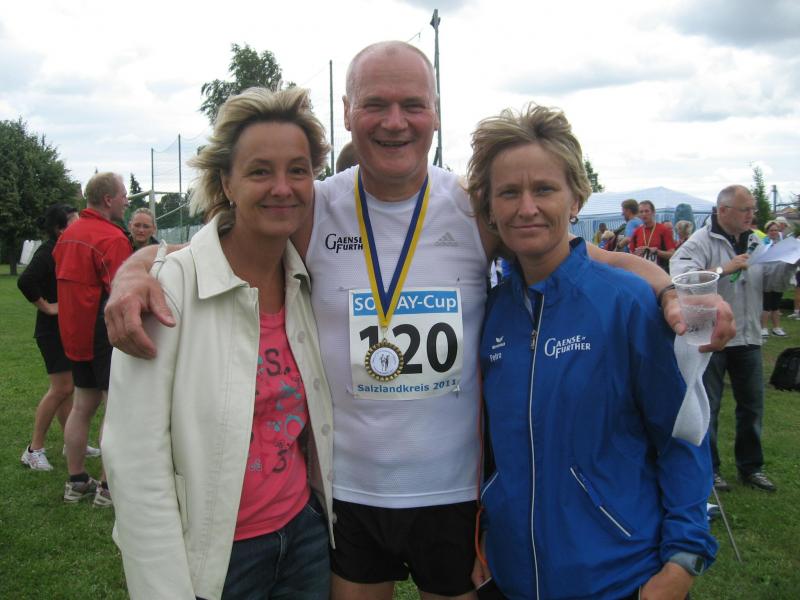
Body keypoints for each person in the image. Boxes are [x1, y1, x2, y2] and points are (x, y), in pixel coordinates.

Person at [104, 41, 734, 600]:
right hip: (349, 491)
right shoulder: (313, 205)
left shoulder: (473, 205)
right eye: (375, 104)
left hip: (454, 491)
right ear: (347, 112)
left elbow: (584, 256)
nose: (395, 121)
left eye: (413, 104)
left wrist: (665, 288)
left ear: (435, 112)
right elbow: (219, 244)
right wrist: (138, 266)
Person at [467, 103, 716, 600]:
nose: (526, 207)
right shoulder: (492, 312)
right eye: (509, 192)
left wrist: (683, 561)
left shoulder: (628, 303)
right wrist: (487, 538)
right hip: (512, 578)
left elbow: (682, 434)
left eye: (544, 189)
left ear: (576, 198)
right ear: (490, 209)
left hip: (620, 577)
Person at [103, 87, 334, 600]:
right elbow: (133, 461)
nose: (282, 187)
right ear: (227, 182)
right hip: (217, 558)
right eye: (260, 171)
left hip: (303, 537)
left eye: (298, 170)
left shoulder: (304, 280)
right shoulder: (170, 289)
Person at [671, 185, 777, 493]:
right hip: (713, 338)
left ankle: (751, 467)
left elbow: (771, 281)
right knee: (710, 406)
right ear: (723, 211)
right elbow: (681, 279)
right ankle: (711, 469)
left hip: (748, 336)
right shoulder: (699, 241)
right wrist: (721, 269)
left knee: (752, 406)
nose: (751, 215)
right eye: (746, 209)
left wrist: (785, 268)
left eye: (753, 209)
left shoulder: (758, 241)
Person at [53, 172, 132, 506]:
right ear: (109, 199)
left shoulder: (67, 235)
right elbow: (124, 291)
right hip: (103, 334)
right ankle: (107, 487)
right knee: (115, 411)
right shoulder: (112, 238)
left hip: (74, 333)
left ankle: (76, 481)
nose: (127, 200)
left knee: (82, 406)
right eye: (124, 195)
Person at [17, 205, 98, 471]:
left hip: (66, 328)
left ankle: (71, 442)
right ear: (60, 228)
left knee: (68, 387)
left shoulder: (66, 248)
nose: (80, 226)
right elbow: (25, 281)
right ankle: (33, 450)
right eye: (75, 222)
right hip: (51, 331)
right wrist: (48, 307)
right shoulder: (48, 251)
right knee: (61, 388)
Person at [760, 221, 793, 337]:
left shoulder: (782, 244)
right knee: (766, 305)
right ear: (767, 231)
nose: (774, 232)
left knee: (776, 305)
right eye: (771, 230)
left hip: (779, 278)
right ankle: (763, 328)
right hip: (766, 278)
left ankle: (776, 328)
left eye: (776, 230)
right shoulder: (763, 243)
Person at [629, 200, 676, 270]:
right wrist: (637, 254)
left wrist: (656, 252)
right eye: (641, 212)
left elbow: (672, 254)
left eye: (647, 211)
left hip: (659, 270)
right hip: (642, 270)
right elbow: (631, 254)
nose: (644, 214)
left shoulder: (663, 230)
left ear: (653, 212)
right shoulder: (637, 231)